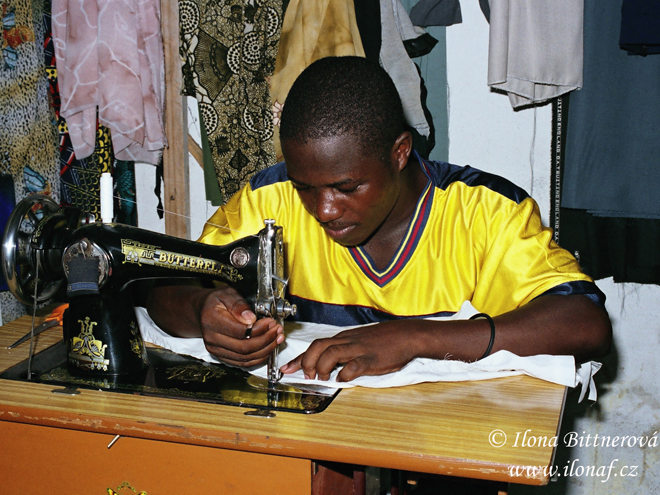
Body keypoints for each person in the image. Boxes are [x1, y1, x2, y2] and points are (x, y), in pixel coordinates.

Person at [146, 56, 612, 382]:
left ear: (400, 153)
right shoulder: (271, 200)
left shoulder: (483, 212)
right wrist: (202, 312)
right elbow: (164, 285)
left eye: (347, 188)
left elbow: (586, 324)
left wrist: (414, 337)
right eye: (306, 186)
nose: (323, 210)